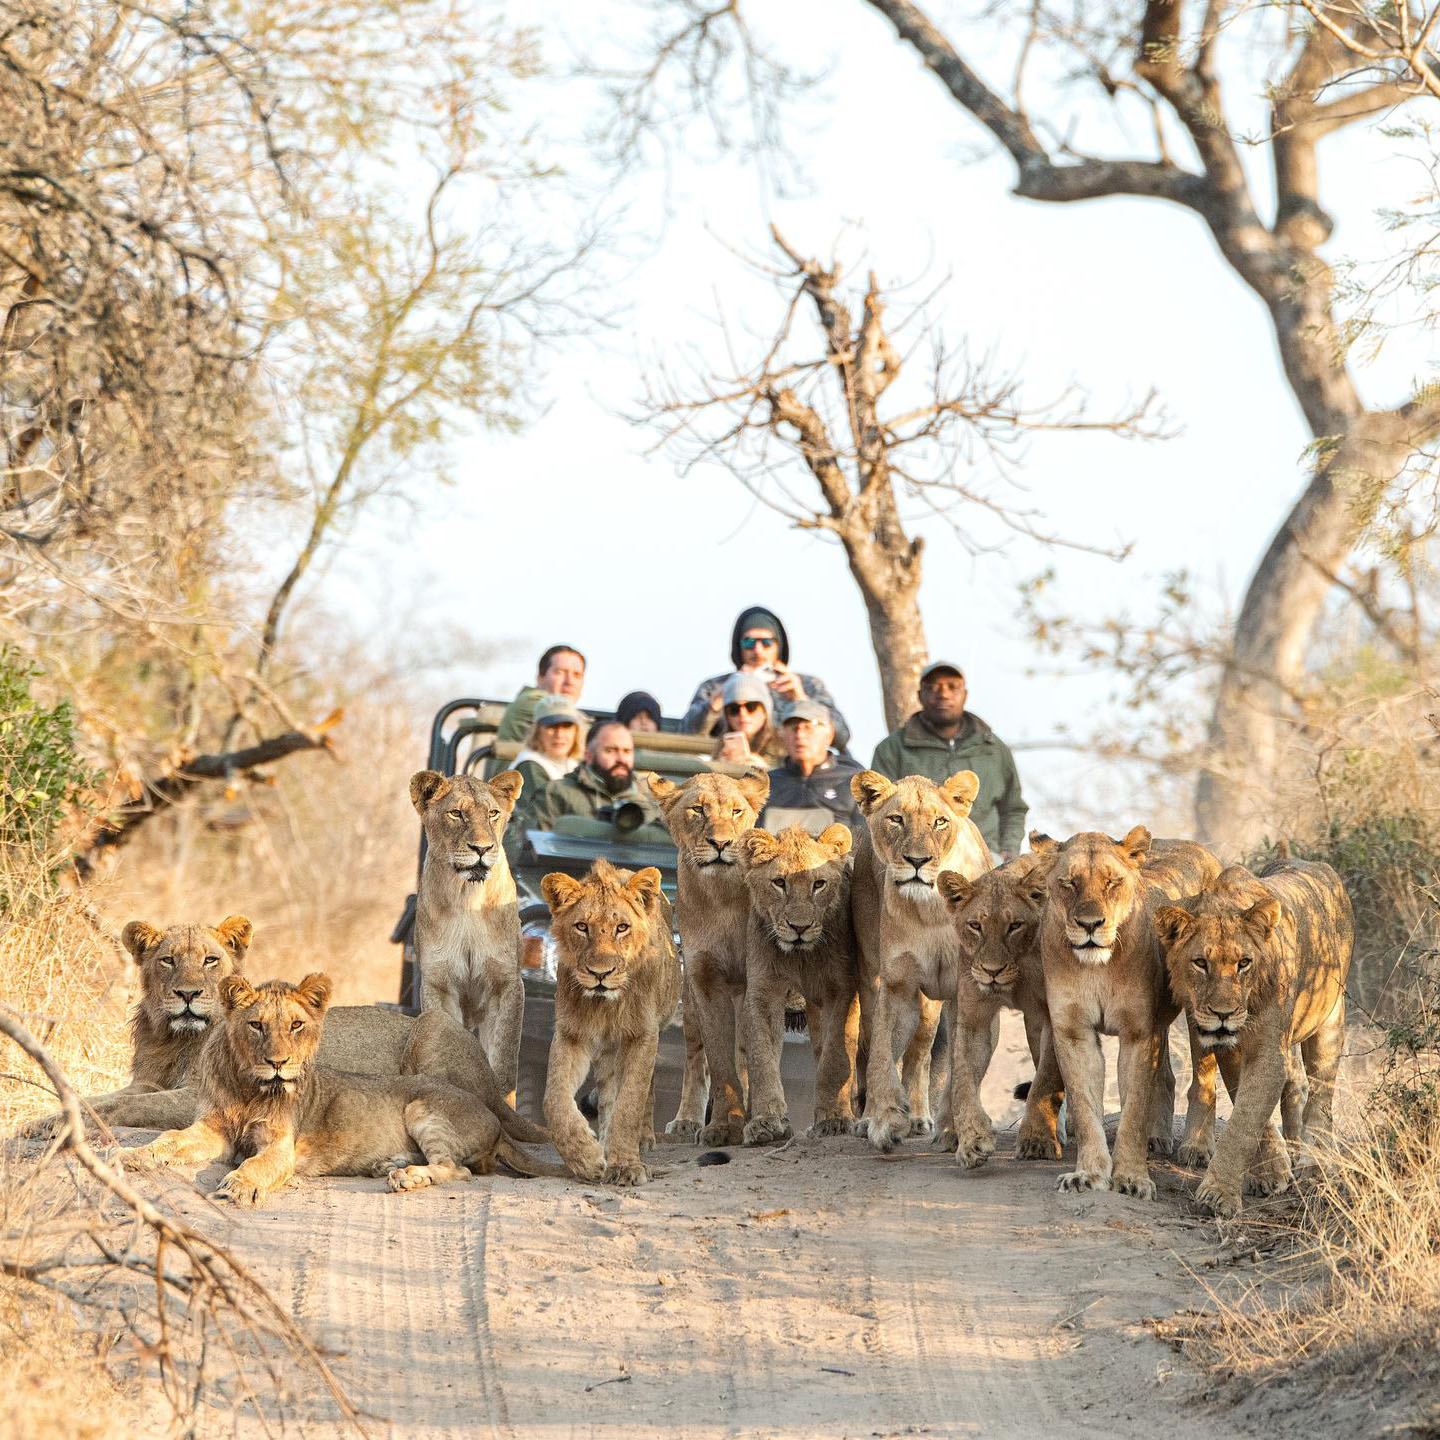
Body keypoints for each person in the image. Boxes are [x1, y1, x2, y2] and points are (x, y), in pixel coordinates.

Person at [870, 659, 1028, 858]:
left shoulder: (993, 747)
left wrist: (1009, 850)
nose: (943, 694)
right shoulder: (892, 749)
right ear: (920, 695)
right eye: (933, 687)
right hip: (919, 856)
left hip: (985, 854)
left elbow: (1013, 807)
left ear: (965, 694)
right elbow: (876, 811)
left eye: (952, 687)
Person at [682, 605, 851, 753]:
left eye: (766, 642)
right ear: (738, 646)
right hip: (733, 775)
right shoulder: (716, 686)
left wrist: (801, 700)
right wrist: (718, 701)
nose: (757, 650)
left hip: (791, 776)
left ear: (779, 646)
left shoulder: (807, 685)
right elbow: (685, 737)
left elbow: (842, 737)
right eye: (749, 642)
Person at [530, 721, 664, 833]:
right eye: (610, 751)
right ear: (589, 756)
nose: (621, 759)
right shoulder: (555, 793)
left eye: (627, 751)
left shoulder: (653, 801)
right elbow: (536, 851)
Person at [760, 700, 863, 833]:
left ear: (829, 735)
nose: (800, 735)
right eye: (793, 728)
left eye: (808, 727)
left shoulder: (853, 783)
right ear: (783, 735)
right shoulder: (767, 784)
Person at [496, 644, 586, 743]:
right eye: (560, 672)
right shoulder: (532, 702)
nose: (570, 682)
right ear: (540, 678)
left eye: (577, 675)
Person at [512, 696, 586, 800]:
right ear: (537, 731)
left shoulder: (573, 765)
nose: (559, 734)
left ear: (576, 732)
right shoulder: (530, 766)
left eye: (566, 726)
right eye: (551, 727)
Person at [709, 672, 786, 768]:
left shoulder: (785, 741)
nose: (742, 714)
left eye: (751, 707)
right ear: (727, 715)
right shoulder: (721, 746)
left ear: (765, 712)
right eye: (734, 709)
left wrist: (764, 771)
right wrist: (719, 769)